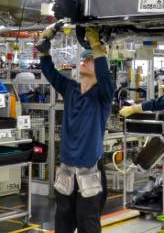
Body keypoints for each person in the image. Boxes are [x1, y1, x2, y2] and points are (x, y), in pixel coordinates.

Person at [36, 23, 113, 233]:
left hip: (90, 171)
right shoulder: (70, 88)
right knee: (63, 224)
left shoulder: (102, 96)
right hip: (66, 170)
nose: (85, 61)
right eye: (84, 58)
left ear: (100, 68)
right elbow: (49, 70)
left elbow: (106, 77)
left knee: (88, 224)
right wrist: (45, 44)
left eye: (90, 59)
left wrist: (97, 47)